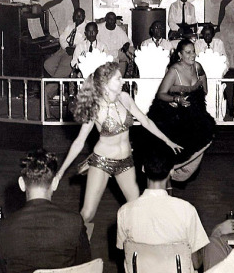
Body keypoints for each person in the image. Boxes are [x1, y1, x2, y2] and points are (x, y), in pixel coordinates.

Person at [56, 62, 182, 223]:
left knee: (136, 207)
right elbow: (79, 142)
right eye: (118, 78)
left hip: (126, 162)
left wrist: (167, 140)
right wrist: (61, 172)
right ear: (106, 84)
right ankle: (74, 245)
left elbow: (145, 121)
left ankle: (136, 245)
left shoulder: (125, 98)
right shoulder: (95, 107)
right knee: (87, 213)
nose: (122, 81)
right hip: (102, 162)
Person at [0, 149, 91, 273]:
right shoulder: (74, 222)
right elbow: (83, 269)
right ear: (55, 183)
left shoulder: (2, 228)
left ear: (21, 184)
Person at [116, 146, 210, 273]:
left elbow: (124, 253)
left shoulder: (125, 212)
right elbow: (197, 262)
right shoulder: (186, 210)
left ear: (143, 169)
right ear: (172, 171)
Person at [146, 39, 215, 182]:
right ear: (180, 55)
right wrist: (176, 100)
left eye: (193, 51)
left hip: (195, 113)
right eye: (188, 52)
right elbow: (161, 94)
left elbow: (204, 86)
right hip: (176, 114)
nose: (192, 55)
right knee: (176, 145)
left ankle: (178, 171)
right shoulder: (174, 70)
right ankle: (168, 171)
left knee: (207, 133)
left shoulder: (198, 67)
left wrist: (200, 91)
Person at [97, 12, 135, 76]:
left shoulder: (119, 30)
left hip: (116, 54)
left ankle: (121, 78)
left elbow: (128, 43)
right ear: (106, 19)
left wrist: (126, 45)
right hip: (102, 54)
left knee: (129, 53)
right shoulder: (99, 28)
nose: (111, 21)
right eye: (109, 19)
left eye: (113, 19)